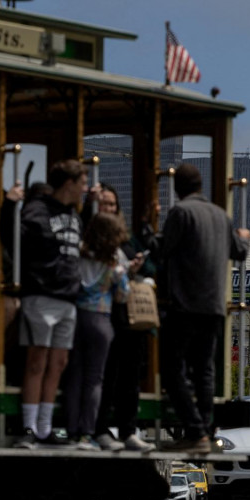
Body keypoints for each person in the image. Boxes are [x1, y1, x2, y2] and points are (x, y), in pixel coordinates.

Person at [158, 163, 250, 452]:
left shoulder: (181, 212)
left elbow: (162, 251)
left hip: (185, 306)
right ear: (201, 186)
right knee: (204, 371)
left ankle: (195, 430)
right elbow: (239, 251)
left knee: (171, 369)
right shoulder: (221, 216)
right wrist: (244, 236)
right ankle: (207, 433)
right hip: (214, 308)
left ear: (177, 188)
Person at [14, 159, 88, 449]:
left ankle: (45, 426)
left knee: (58, 363)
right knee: (37, 360)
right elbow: (16, 241)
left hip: (67, 300)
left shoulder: (74, 215)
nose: (85, 188)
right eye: (81, 183)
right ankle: (29, 427)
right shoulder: (37, 210)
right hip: (41, 295)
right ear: (68, 183)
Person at [92, 185, 157, 452]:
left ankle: (128, 430)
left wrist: (140, 268)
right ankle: (100, 428)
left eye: (112, 205)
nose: (108, 209)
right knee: (106, 375)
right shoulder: (91, 237)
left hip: (129, 317)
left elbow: (152, 266)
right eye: (103, 204)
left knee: (130, 375)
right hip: (103, 313)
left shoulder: (125, 238)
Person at [62, 211, 130, 451]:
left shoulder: (79, 255)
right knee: (94, 380)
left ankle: (71, 429)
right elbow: (123, 295)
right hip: (101, 319)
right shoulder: (113, 264)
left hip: (75, 317)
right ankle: (87, 433)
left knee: (74, 376)